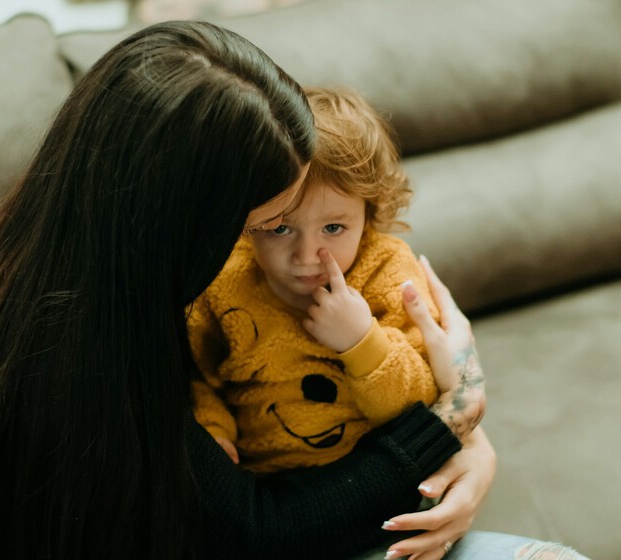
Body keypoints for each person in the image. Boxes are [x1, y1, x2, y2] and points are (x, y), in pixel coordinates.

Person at [0, 20, 587, 560]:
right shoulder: (75, 349)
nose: (299, 256)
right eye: (263, 228)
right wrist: (455, 416)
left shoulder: (72, 261)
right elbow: (260, 534)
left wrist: (469, 448)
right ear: (186, 226)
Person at [187, 86, 448, 473]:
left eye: (333, 227)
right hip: (262, 486)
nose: (307, 257)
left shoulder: (386, 271)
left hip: (376, 479)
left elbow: (420, 405)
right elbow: (196, 378)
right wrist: (213, 431)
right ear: (250, 219)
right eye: (279, 229)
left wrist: (362, 342)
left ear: (370, 213)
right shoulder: (225, 281)